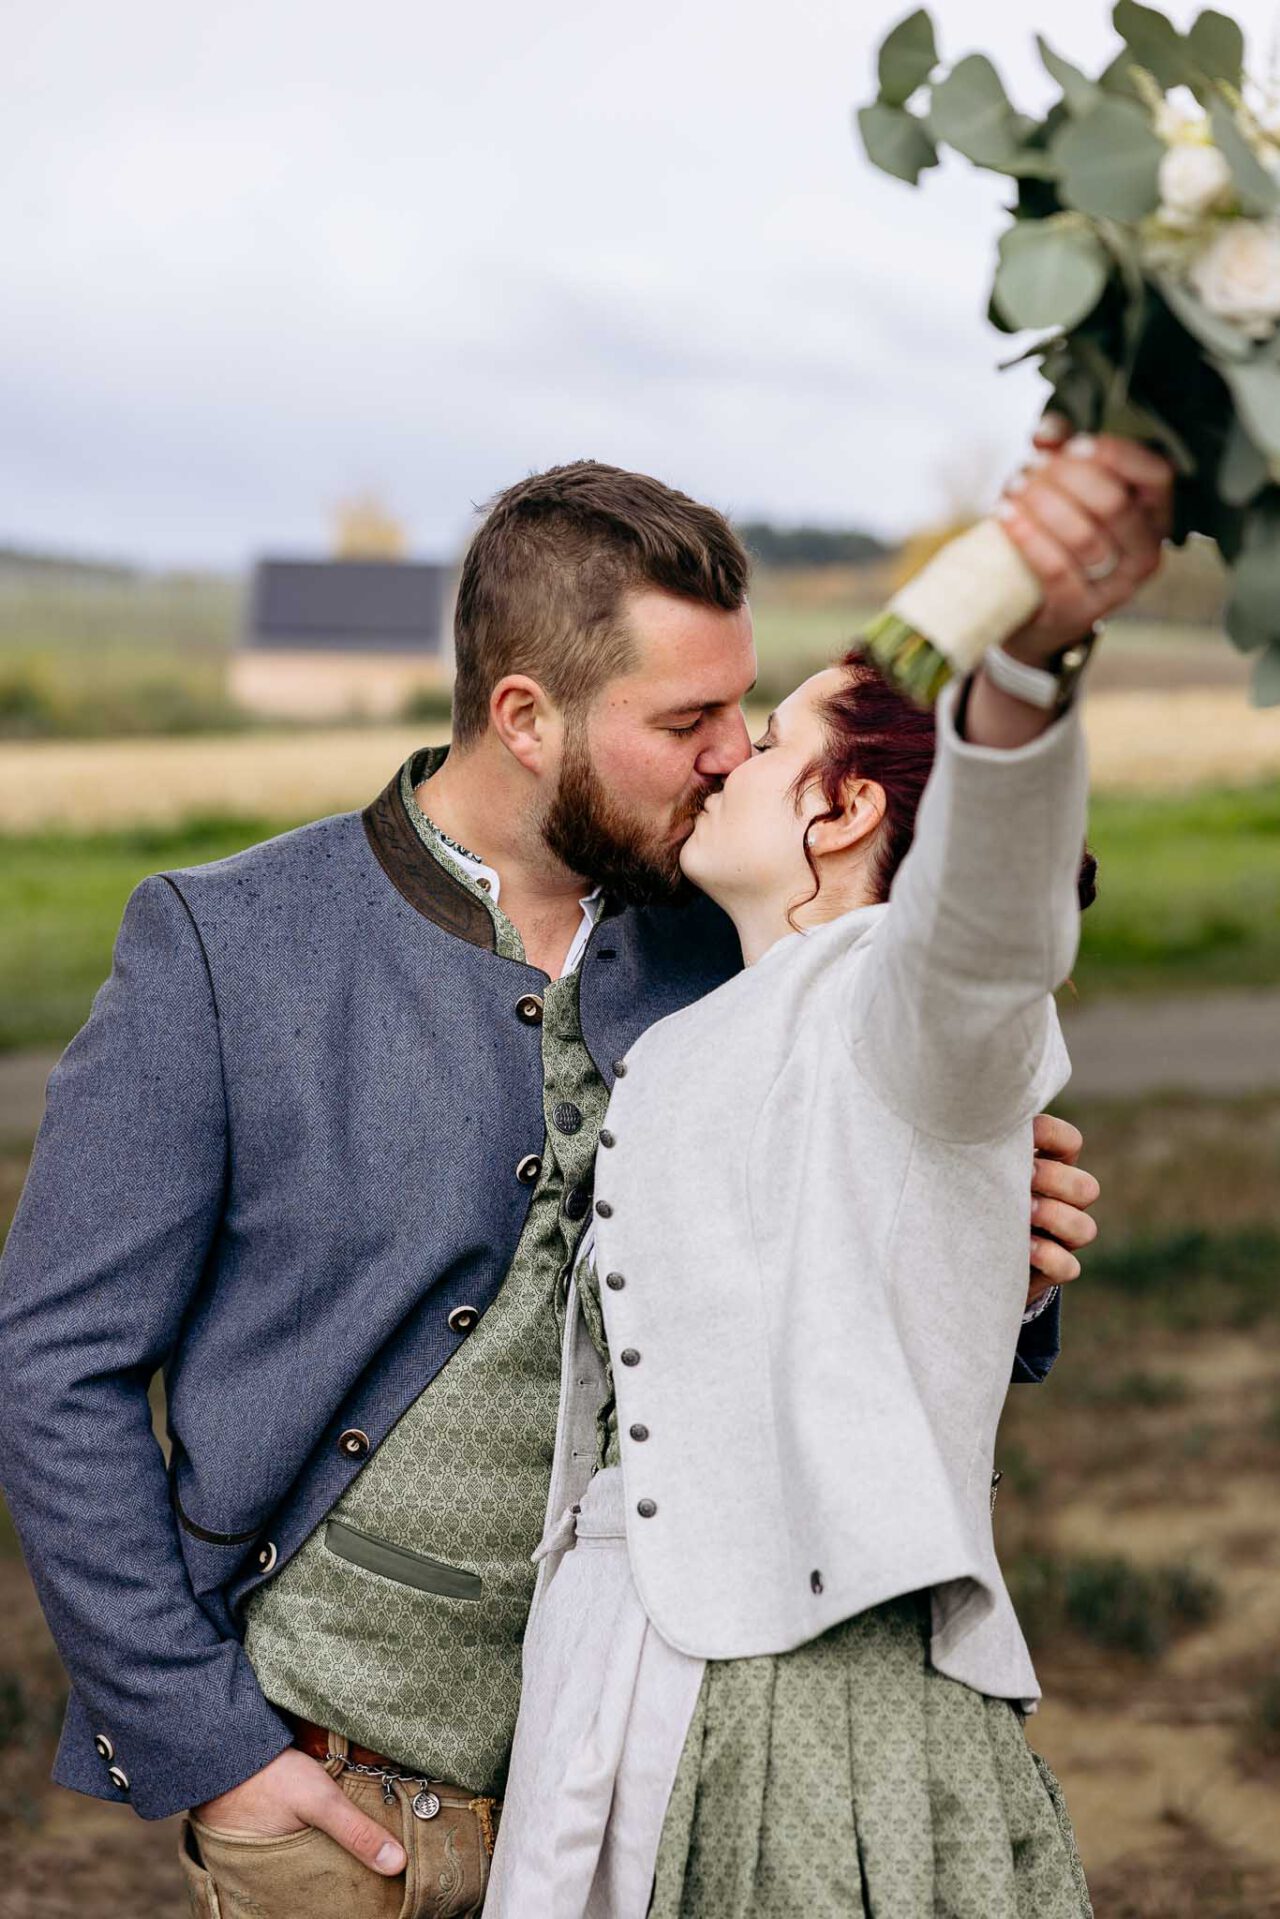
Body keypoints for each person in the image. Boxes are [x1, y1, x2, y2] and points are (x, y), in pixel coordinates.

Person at [0, 453, 1106, 1919]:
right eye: (687, 720)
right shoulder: (226, 947)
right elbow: (57, 1363)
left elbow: (878, 1202)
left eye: (742, 714)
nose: (727, 755)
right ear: (526, 716)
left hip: (668, 1812)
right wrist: (206, 1748)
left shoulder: (734, 937)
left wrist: (1005, 1256)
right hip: (342, 1809)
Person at [485, 433, 1174, 1918]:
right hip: (610, 1681)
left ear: (849, 812)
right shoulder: (688, 1022)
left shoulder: (908, 1012)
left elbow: (990, 927)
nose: (729, 753)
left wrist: (1028, 673)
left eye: (777, 737)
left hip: (817, 1700)